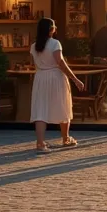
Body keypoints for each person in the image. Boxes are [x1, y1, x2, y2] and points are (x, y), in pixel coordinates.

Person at [29, 17, 86, 153]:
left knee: (40, 109)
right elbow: (60, 62)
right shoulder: (55, 44)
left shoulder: (34, 46)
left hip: (40, 77)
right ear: (51, 30)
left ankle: (40, 143)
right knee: (63, 105)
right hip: (55, 76)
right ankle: (65, 138)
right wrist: (75, 78)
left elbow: (32, 63)